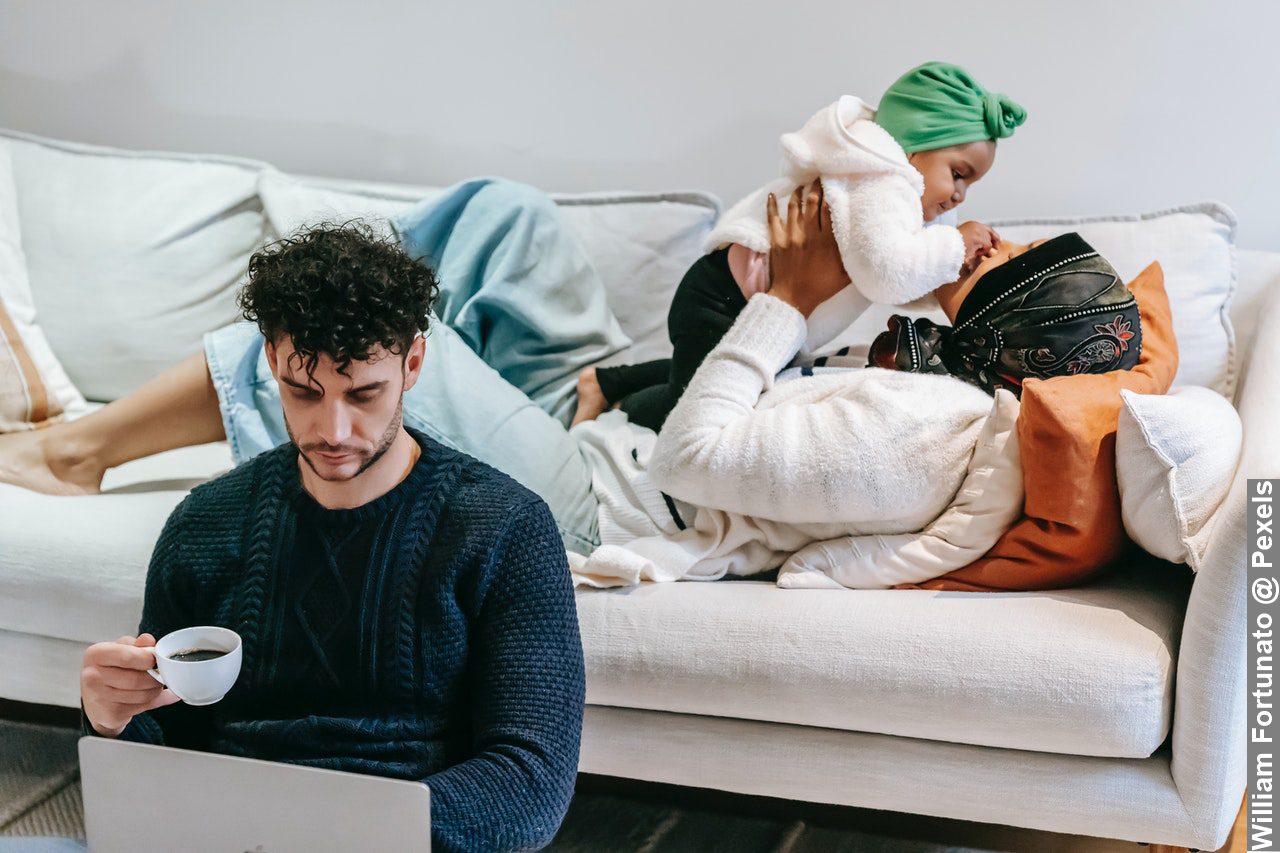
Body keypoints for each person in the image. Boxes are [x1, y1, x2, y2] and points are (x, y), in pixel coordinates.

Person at [1, 178, 1139, 591]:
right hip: (600, 435)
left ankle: (74, 448)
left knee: (334, 351)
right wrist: (631, 377)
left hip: (591, 507)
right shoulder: (925, 376)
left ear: (1008, 325)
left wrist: (784, 298)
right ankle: (387, 319)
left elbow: (706, 462)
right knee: (504, 213)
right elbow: (737, 399)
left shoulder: (925, 435)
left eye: (995, 261)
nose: (977, 236)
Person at [31, 221, 587, 853]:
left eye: (365, 393)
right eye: (304, 391)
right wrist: (109, 719)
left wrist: (341, 833)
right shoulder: (205, 523)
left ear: (413, 364)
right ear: (271, 359)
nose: (334, 429)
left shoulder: (505, 530)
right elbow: (166, 742)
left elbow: (529, 777)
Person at [573, 61, 1028, 432]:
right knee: (694, 409)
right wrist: (952, 247)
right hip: (723, 300)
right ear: (917, 147)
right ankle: (621, 416)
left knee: (726, 374)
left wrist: (950, 265)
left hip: (756, 306)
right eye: (959, 174)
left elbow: (893, 276)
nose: (959, 196)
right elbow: (885, 273)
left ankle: (607, 382)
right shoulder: (881, 179)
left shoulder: (898, 187)